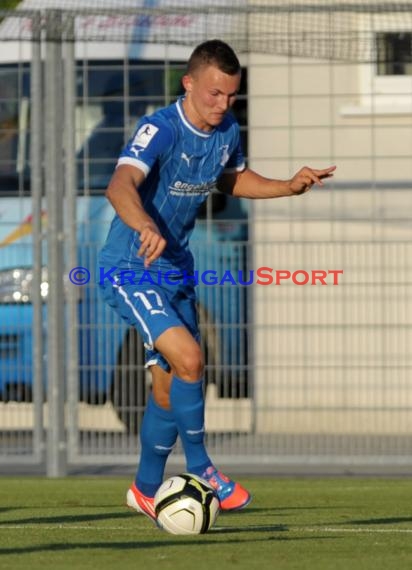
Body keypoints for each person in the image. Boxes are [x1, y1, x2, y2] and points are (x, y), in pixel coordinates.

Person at [98, 39, 336, 522]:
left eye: (231, 96)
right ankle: (204, 468)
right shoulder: (159, 129)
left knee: (168, 391)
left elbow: (233, 179)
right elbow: (119, 183)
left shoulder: (226, 129)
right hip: (129, 266)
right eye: (213, 94)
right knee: (190, 358)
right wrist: (144, 225)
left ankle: (145, 489)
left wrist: (288, 186)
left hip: (176, 269)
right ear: (189, 83)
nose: (223, 105)